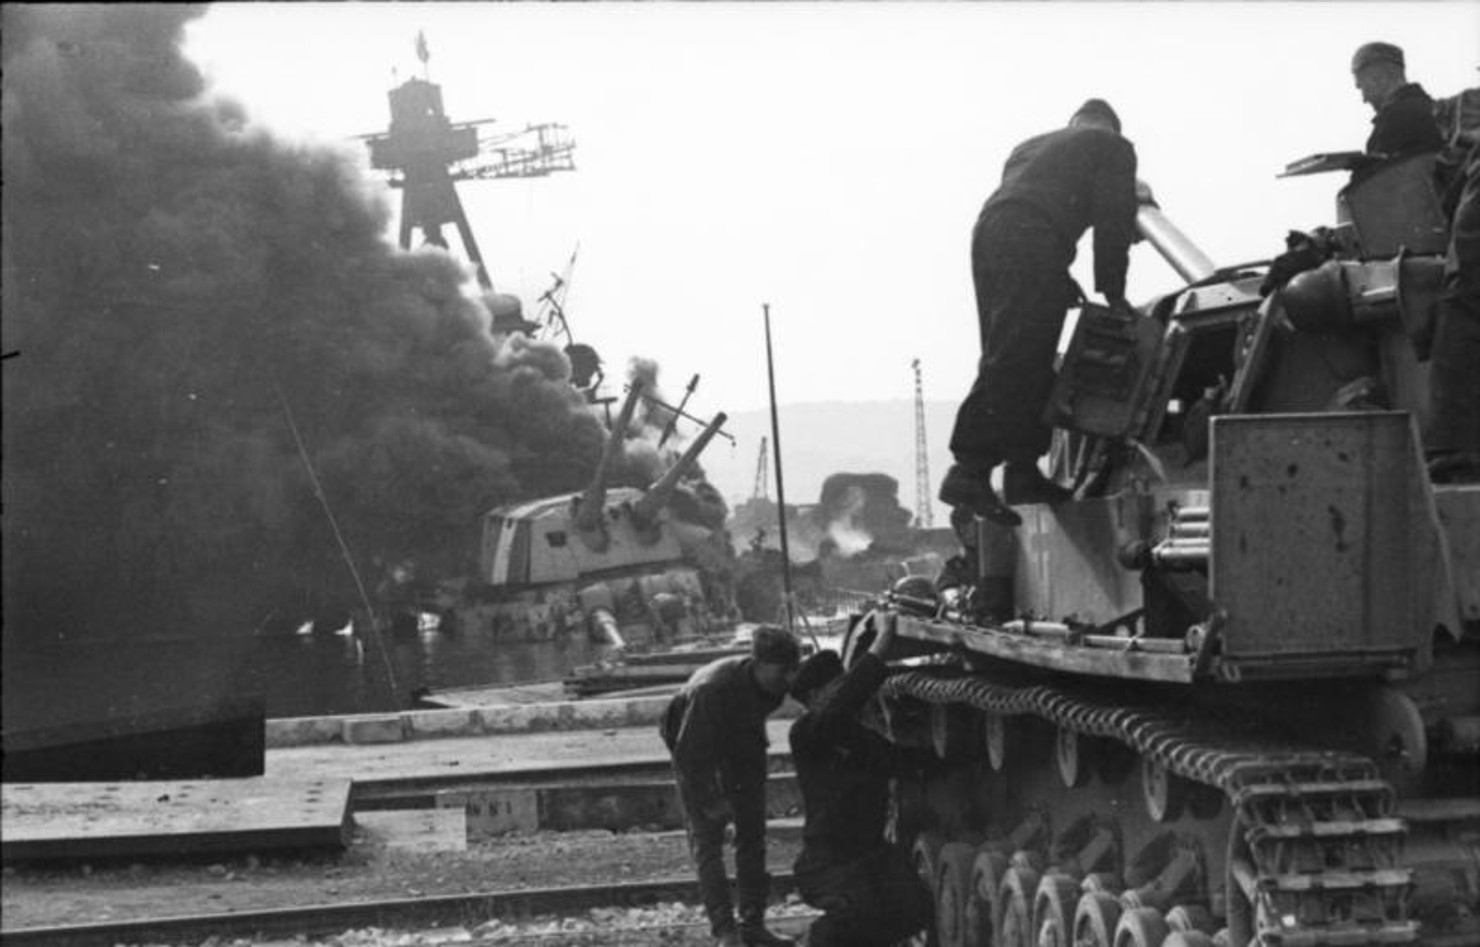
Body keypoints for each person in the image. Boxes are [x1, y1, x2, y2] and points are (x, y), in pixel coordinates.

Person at [940, 98, 1139, 527]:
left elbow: (1030, 204)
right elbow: (1113, 222)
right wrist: (1113, 290)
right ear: (1112, 127)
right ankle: (970, 469)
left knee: (1015, 352)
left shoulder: (1030, 147)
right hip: (1033, 239)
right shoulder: (1113, 145)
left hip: (992, 237)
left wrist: (1056, 276)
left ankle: (1022, 470)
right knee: (1019, 356)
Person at [787, 611, 934, 947]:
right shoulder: (807, 733)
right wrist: (881, 644)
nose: (845, 694)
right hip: (827, 861)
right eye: (833, 689)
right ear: (813, 699)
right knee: (859, 911)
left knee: (913, 910)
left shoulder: (860, 739)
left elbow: (903, 762)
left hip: (869, 855)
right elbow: (838, 708)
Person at [660, 625, 802, 946]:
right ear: (760, 663)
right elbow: (690, 756)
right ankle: (725, 931)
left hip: (742, 741)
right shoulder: (713, 690)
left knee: (752, 834)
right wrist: (711, 801)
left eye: (794, 670)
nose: (790, 680)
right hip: (694, 746)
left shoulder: (775, 681)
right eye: (784, 671)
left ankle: (753, 925)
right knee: (707, 839)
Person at [1350, 42, 1443, 157]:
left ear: (1378, 78)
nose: (1364, 100)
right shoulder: (1435, 110)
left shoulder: (1394, 120)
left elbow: (1379, 174)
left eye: (1362, 87)